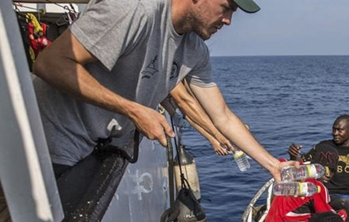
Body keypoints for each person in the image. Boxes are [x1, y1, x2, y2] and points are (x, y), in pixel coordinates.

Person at [32, 0, 295, 180]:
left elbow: (222, 116)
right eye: (226, 7)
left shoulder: (195, 51)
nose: (227, 21)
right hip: (54, 143)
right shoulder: (135, 10)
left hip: (95, 150)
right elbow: (50, 63)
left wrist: (272, 165)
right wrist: (132, 110)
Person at [260, 150, 340, 222]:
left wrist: (293, 157)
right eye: (326, 170)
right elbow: (330, 220)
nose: (328, 174)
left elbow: (280, 161)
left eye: (332, 171)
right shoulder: (317, 188)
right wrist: (343, 214)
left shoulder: (294, 171)